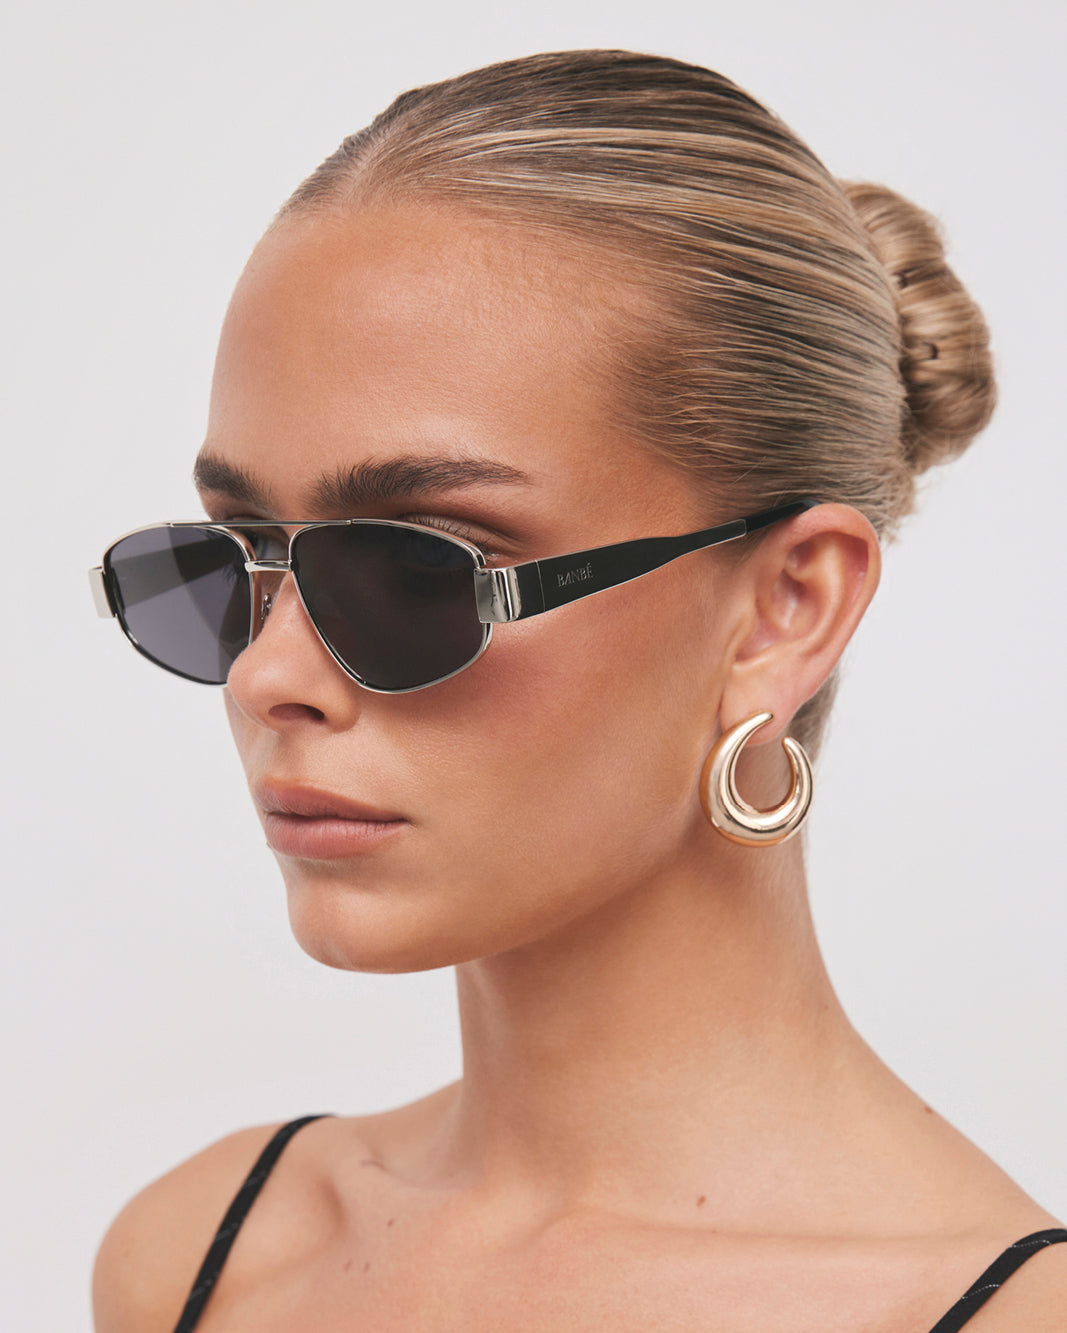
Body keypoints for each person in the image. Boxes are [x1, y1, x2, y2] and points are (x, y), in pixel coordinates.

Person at [89, 49, 1065, 1332]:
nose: (266, 672)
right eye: (235, 553)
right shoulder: (200, 1260)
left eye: (416, 566)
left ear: (786, 608)